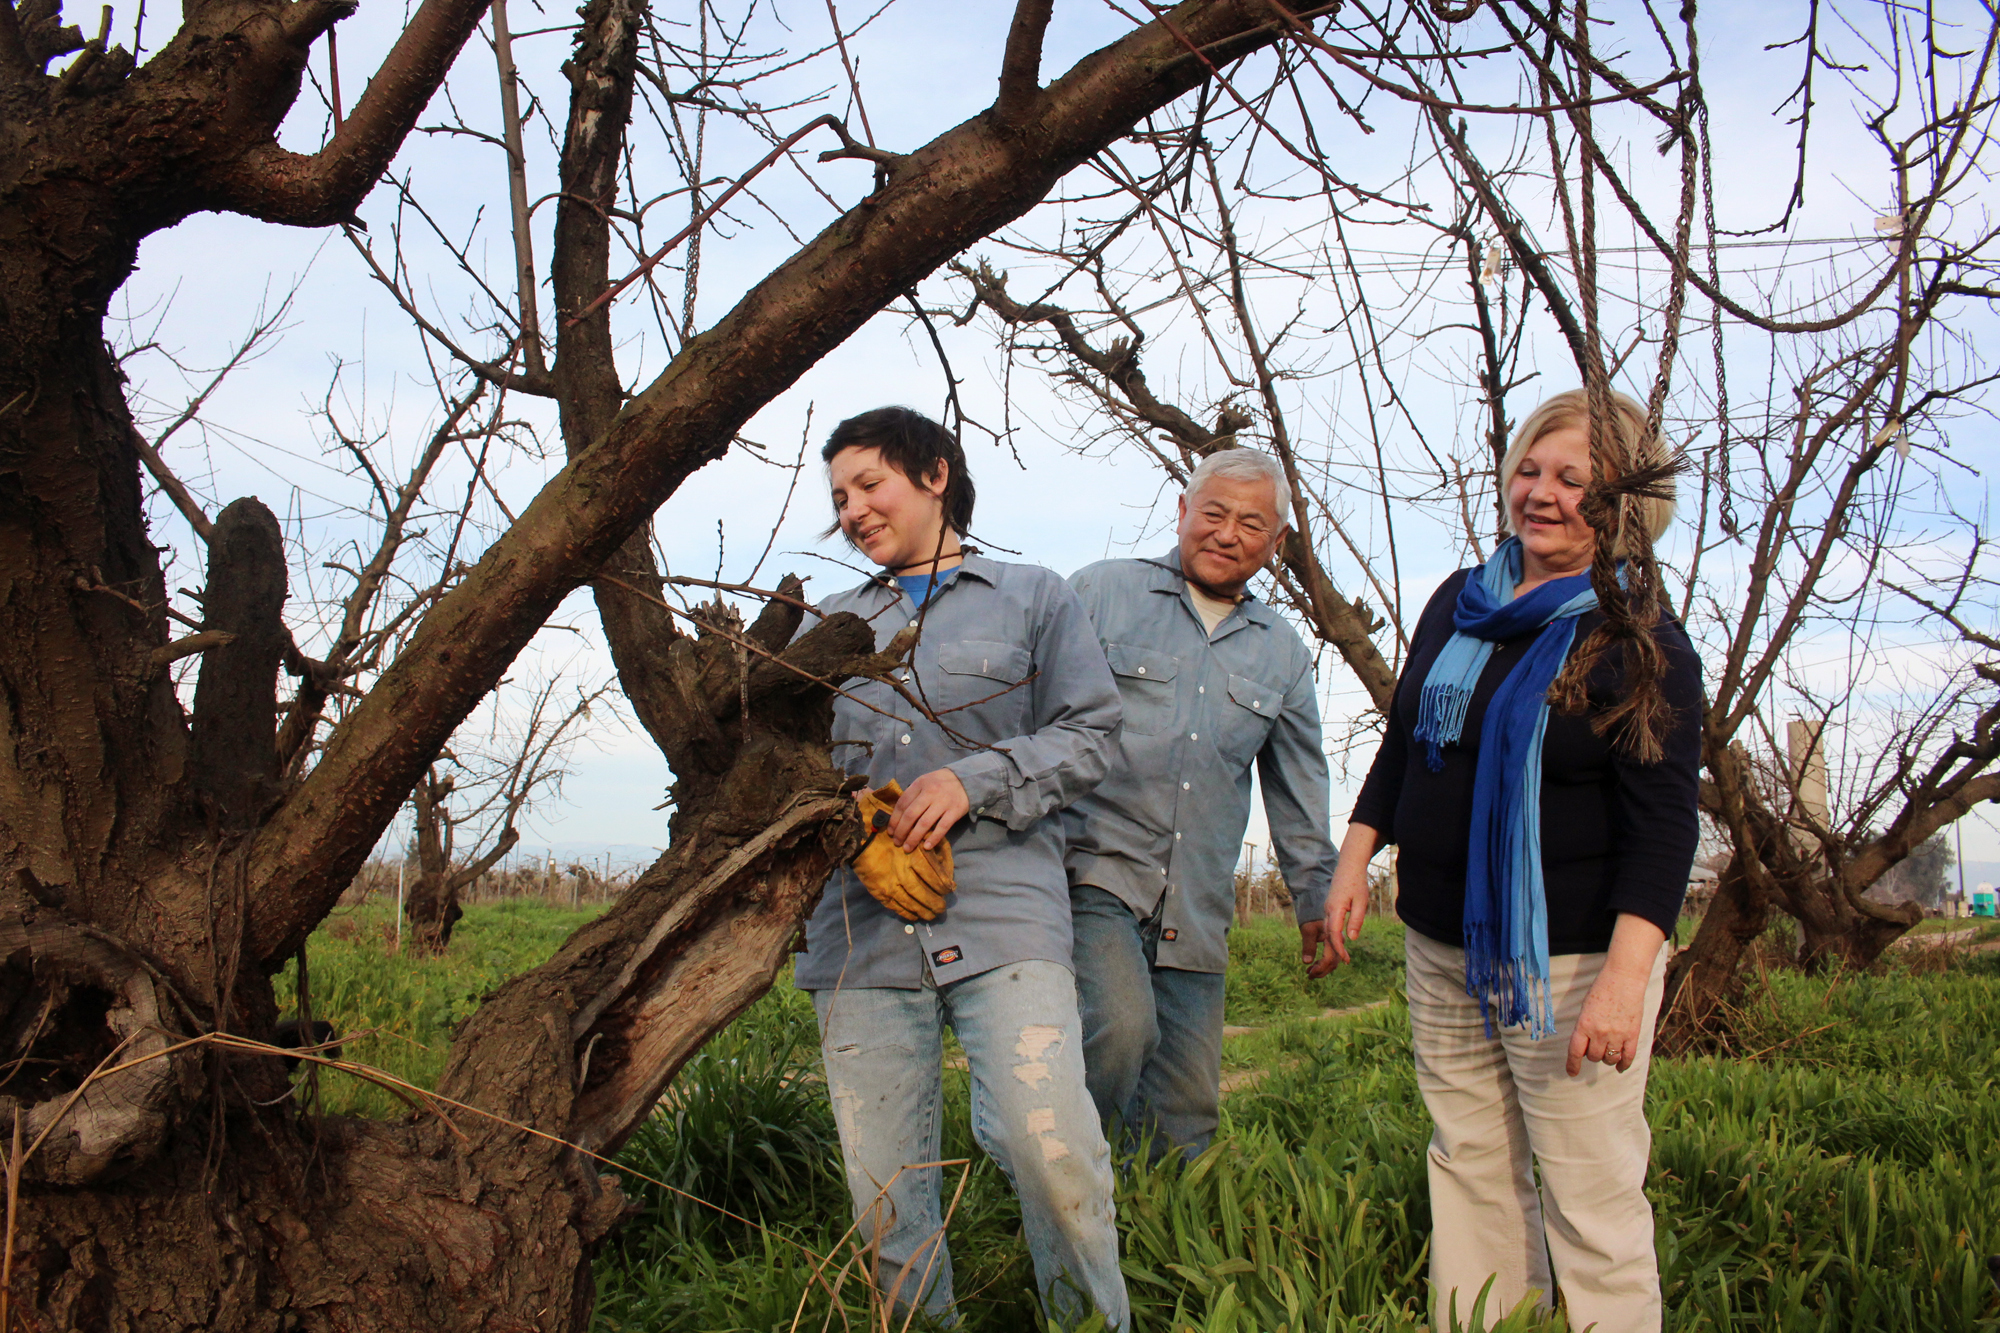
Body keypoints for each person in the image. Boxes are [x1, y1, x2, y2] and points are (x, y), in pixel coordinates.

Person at [1322, 389, 1702, 1331]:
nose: (1541, 494)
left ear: (1622, 506)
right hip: (1440, 944)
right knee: (1471, 1161)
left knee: (1590, 1187)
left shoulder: (1640, 640)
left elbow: (1664, 828)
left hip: (1569, 965)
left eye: (1574, 481)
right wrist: (1355, 853)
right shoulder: (1463, 599)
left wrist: (1625, 981)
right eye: (1530, 469)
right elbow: (1408, 739)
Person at [794, 407, 1131, 1330]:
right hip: (857, 932)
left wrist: (974, 777)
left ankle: (1090, 1320)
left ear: (935, 473)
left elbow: (1094, 732)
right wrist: (850, 821)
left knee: (1048, 1142)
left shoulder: (1033, 595)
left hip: (1005, 913)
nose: (853, 509)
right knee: (883, 1186)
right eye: (839, 498)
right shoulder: (829, 627)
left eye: (870, 484)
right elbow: (787, 765)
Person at [1063, 448, 1338, 1158]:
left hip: (1198, 902)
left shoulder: (1282, 651)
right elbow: (1026, 721)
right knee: (1119, 1030)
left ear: (1276, 544)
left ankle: (1152, 1238)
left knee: (1186, 1116)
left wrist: (1315, 897)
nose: (1226, 533)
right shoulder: (1099, 594)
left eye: (1251, 523)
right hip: (1094, 874)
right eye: (1212, 512)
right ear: (1183, 511)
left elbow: (1299, 786)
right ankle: (1051, 1179)